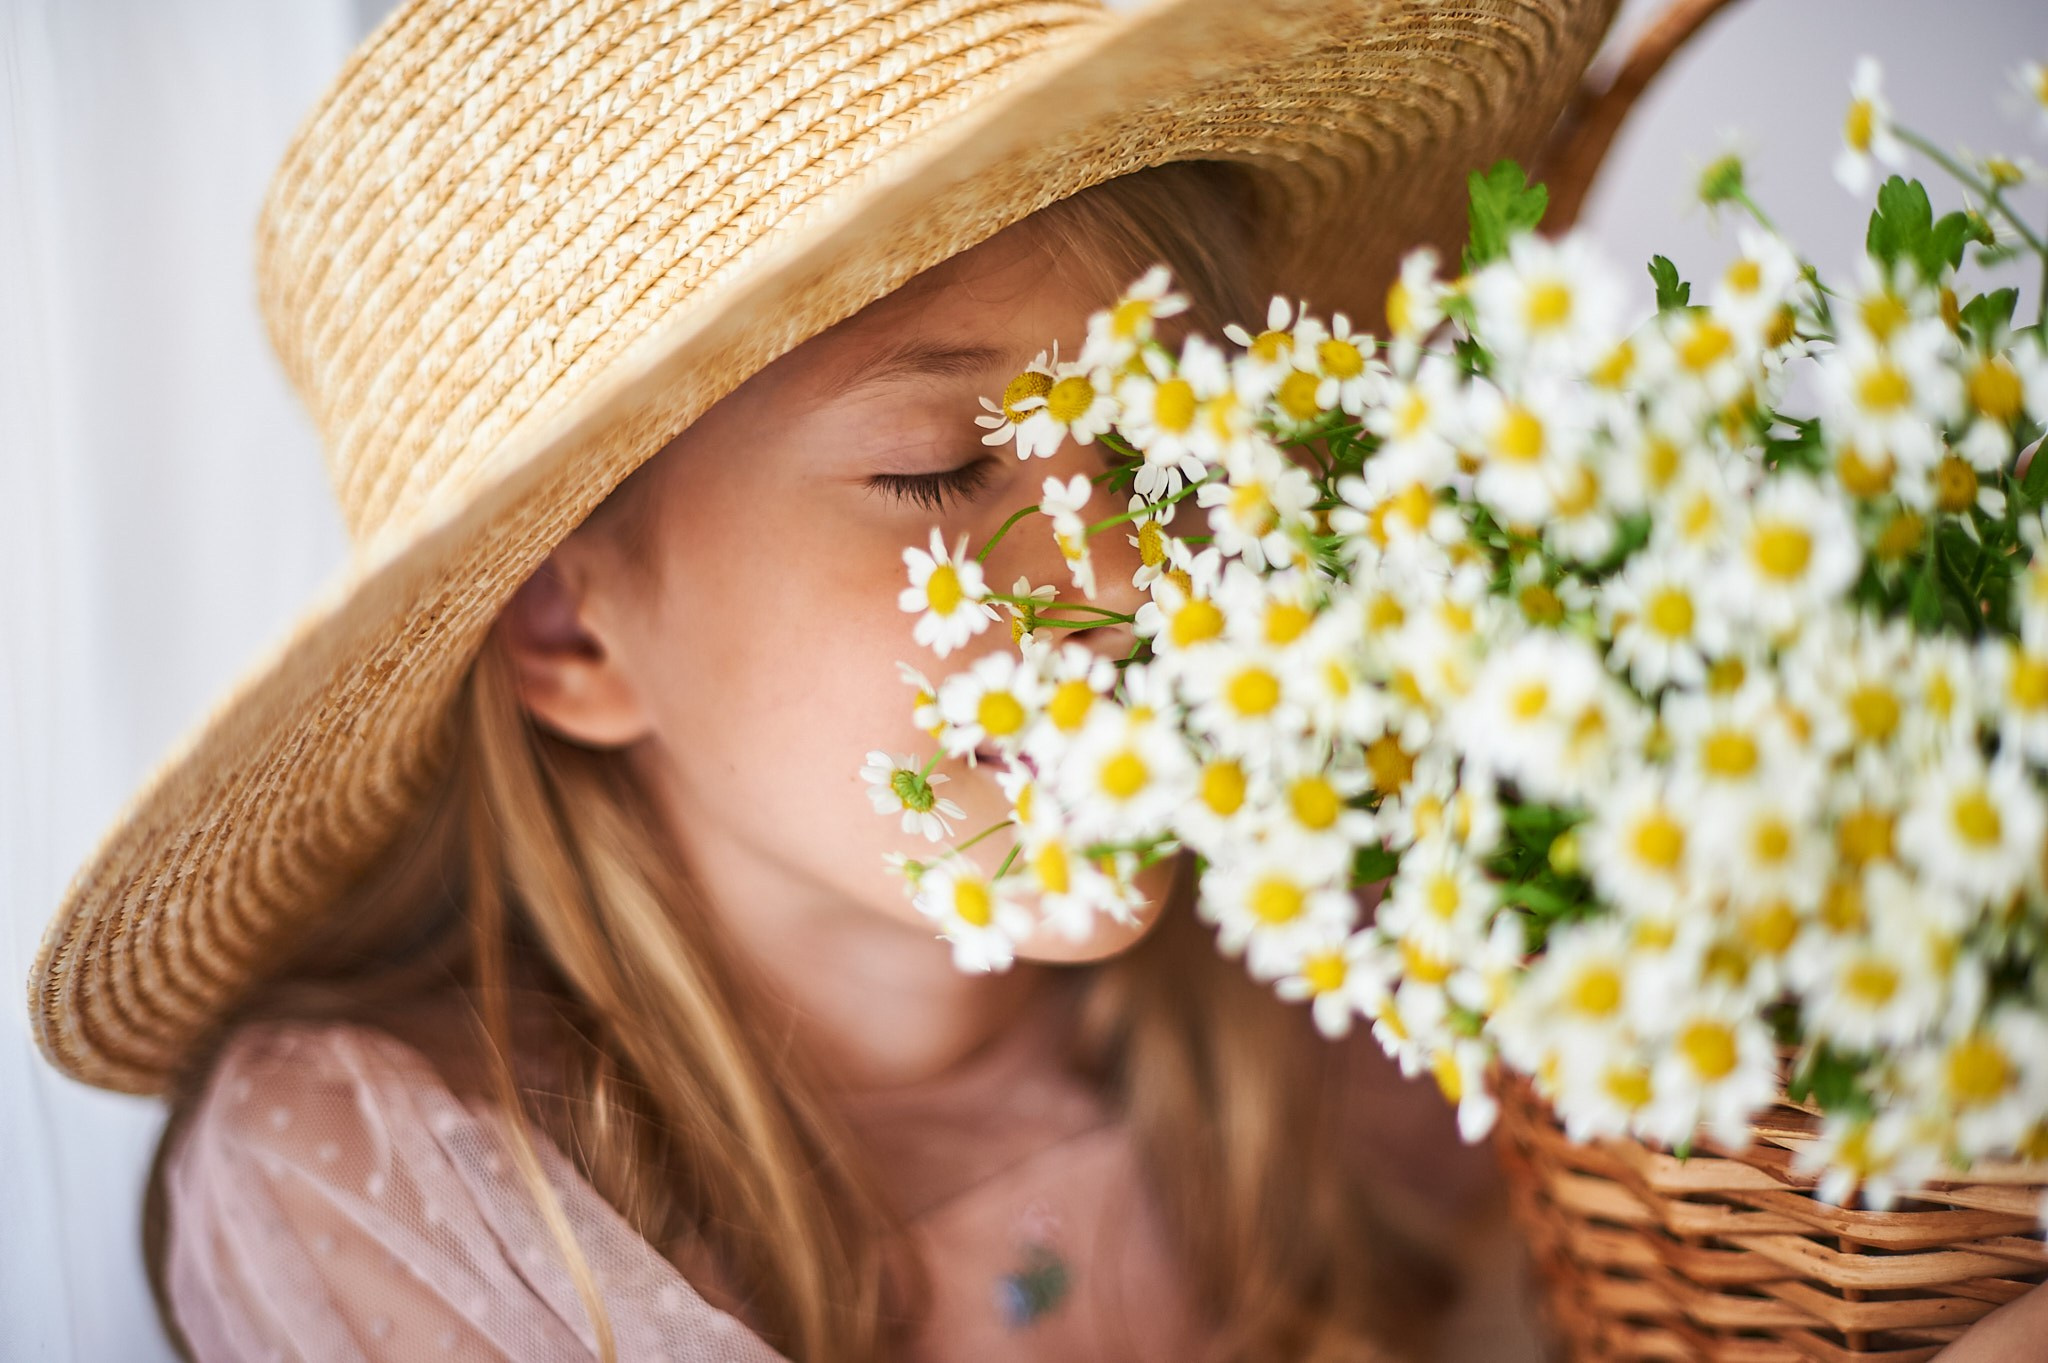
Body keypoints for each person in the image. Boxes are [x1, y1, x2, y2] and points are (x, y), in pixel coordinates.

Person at [42, 1, 2044, 1360]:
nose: (1127, 581)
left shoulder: (1366, 996)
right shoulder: (394, 1182)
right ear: (571, 627)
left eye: (1167, 451)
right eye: (940, 469)